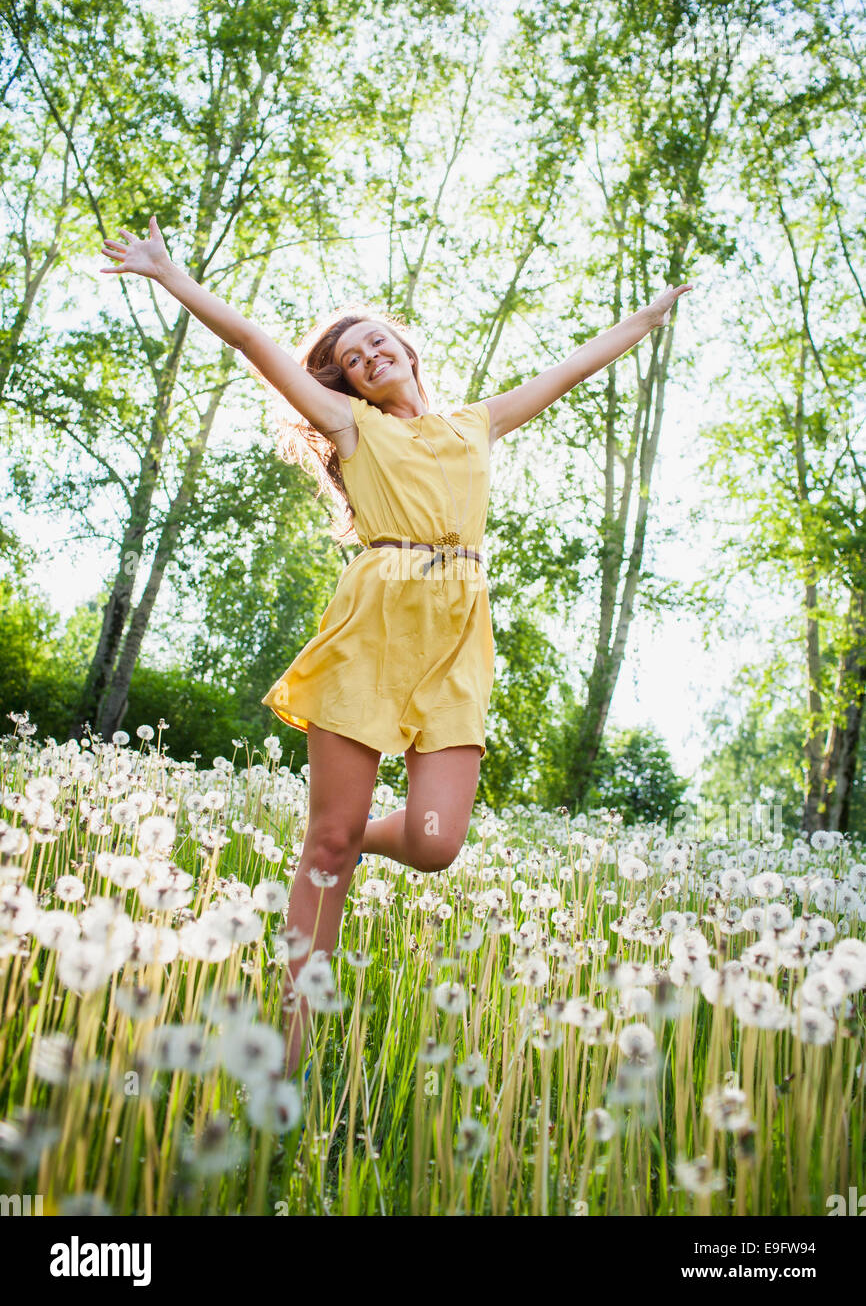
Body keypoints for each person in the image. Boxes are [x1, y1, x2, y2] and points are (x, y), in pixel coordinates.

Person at [101, 216, 692, 1076]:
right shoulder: (352, 428)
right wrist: (172, 278)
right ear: (347, 385)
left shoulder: (475, 424)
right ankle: (291, 1039)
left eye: (376, 342)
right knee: (330, 844)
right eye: (348, 360)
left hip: (457, 632)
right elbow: (255, 341)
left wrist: (646, 319)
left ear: (406, 349)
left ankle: (339, 841)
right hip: (375, 619)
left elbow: (569, 369)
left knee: (436, 842)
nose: (365, 357)